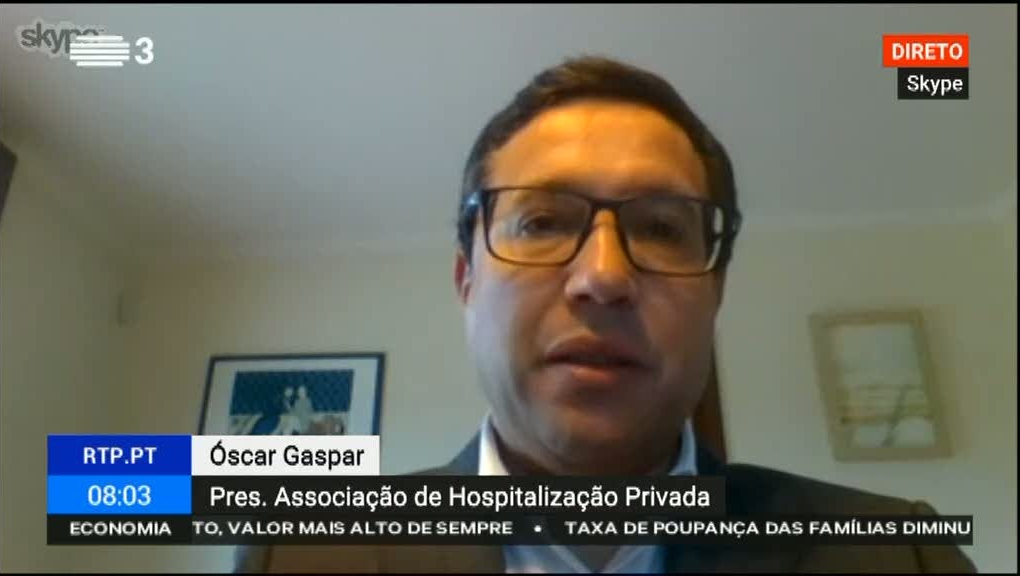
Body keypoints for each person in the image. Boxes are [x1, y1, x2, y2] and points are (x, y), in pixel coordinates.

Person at [236, 56, 975, 573]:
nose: (604, 278)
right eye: (541, 222)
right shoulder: (299, 554)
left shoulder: (897, 555)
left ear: (715, 291)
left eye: (660, 228)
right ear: (467, 280)